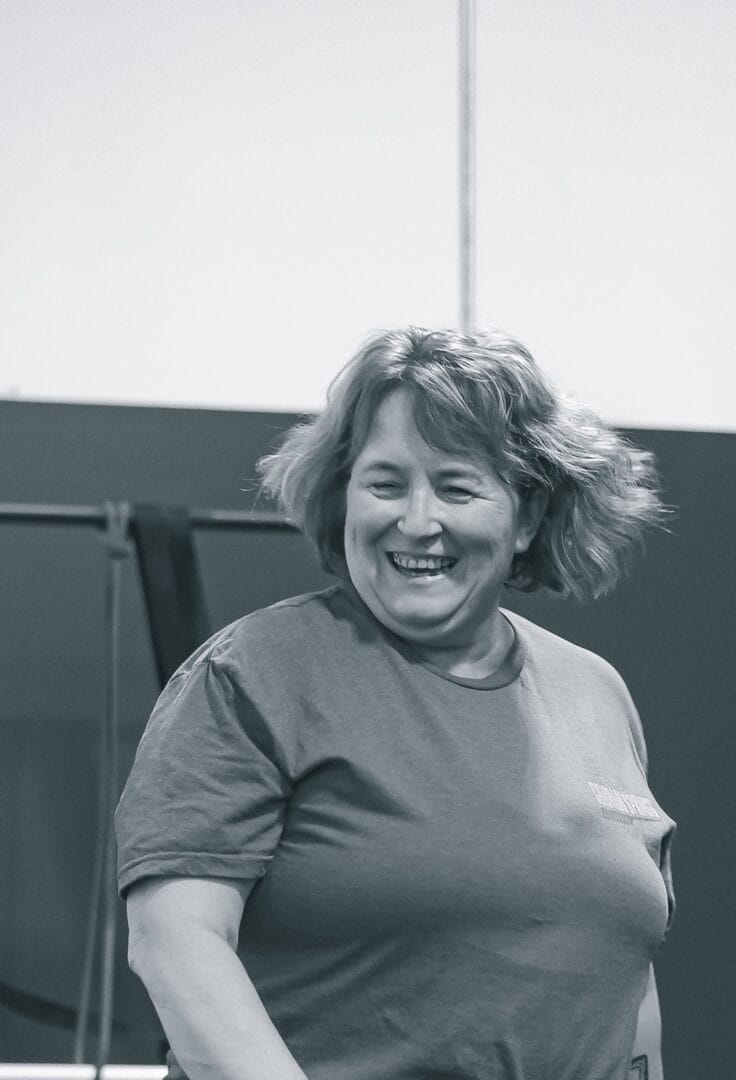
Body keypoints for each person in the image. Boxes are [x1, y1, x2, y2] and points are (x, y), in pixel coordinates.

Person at [116, 326, 677, 1080]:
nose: (416, 521)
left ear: (528, 516)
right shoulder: (254, 674)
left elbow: (626, 981)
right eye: (385, 484)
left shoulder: (595, 692)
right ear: (342, 497)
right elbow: (176, 942)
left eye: (456, 487)